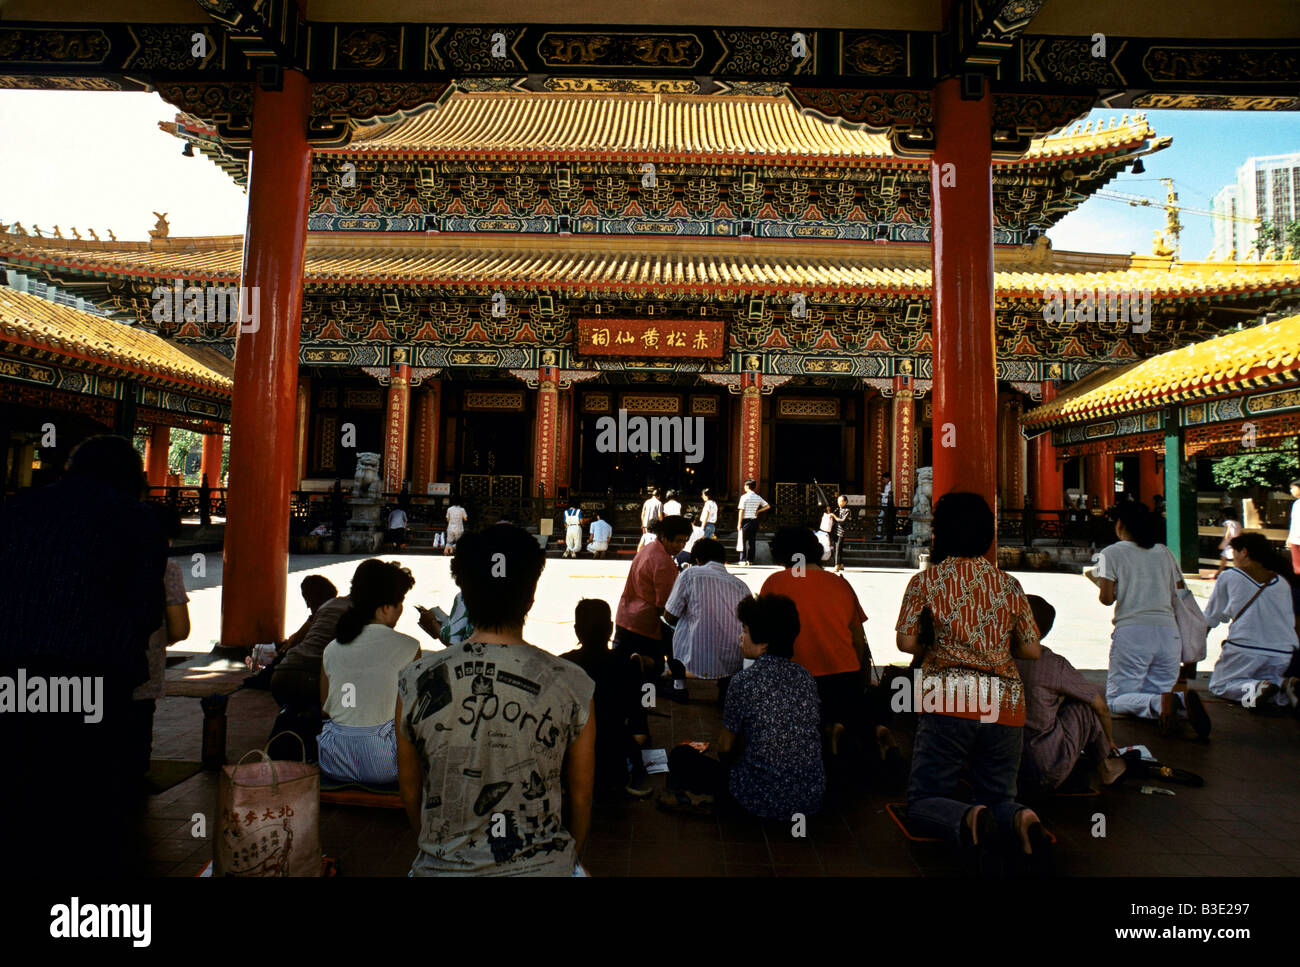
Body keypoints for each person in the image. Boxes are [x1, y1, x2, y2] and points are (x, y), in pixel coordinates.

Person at [0, 435, 167, 877]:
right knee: (87, 790)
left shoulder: (17, 511)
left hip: (15, 673)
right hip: (95, 673)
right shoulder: (136, 519)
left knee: (22, 779)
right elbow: (145, 607)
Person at [396, 524, 596, 876]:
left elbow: (411, 794)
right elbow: (580, 798)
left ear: (464, 594)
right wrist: (566, 859)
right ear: (531, 594)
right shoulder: (573, 683)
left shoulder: (415, 680)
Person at [896, 492, 1047, 859]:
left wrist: (942, 646)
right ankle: (1018, 818)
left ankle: (967, 818)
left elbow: (906, 643)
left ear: (939, 533)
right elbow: (1032, 650)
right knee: (998, 794)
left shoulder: (925, 582)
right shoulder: (1009, 584)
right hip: (1005, 699)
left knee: (925, 798)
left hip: (948, 696)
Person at [658, 593, 824, 819]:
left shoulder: (744, 681)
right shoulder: (805, 677)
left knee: (680, 756)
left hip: (757, 799)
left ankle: (704, 799)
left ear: (764, 643)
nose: (740, 637)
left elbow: (725, 747)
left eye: (745, 631)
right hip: (809, 799)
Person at [1089, 502, 1210, 738]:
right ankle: (1178, 704)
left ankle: (1163, 705)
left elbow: (1106, 599)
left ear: (1121, 525)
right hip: (1169, 633)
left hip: (1133, 631)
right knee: (1160, 690)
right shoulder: (1164, 552)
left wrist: (1102, 583)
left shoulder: (1110, 553)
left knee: (1116, 699)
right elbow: (1177, 590)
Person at [761, 527, 869, 754]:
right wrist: (855, 672)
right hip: (843, 675)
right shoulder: (840, 583)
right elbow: (858, 640)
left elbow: (763, 635)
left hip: (793, 677)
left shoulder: (775, 583)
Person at [318, 560, 422, 784]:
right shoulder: (409, 647)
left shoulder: (331, 649)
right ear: (386, 608)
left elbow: (326, 708)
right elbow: (412, 715)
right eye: (400, 603)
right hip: (385, 765)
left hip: (332, 760)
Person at [1015, 595, 1125, 793]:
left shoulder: (992, 656)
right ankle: (1106, 767)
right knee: (1086, 706)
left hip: (999, 767)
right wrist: (1109, 742)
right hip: (1043, 767)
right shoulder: (1053, 664)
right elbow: (1101, 708)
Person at [560, 599, 651, 798]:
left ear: (576, 630)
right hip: (613, 767)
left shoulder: (563, 665)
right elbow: (640, 729)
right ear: (611, 628)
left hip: (570, 766)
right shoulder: (629, 665)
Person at [1205, 532, 1300, 711]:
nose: (1233, 557)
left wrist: (1194, 652)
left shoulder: (1230, 576)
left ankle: (1257, 688)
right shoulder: (1281, 582)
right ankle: (1284, 686)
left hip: (1246, 647)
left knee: (1220, 685)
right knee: (1268, 690)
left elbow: (1211, 617)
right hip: (1282, 651)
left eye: (1234, 552)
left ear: (1245, 552)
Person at [131, 505, 192, 775]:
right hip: (142, 672)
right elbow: (179, 629)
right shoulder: (166, 568)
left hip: (88, 671)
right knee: (133, 749)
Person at [663, 538, 749, 703]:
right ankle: (726, 687)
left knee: (664, 626)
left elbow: (669, 615)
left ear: (697, 560)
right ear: (723, 560)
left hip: (696, 653)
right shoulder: (741, 585)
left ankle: (679, 686)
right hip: (733, 658)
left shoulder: (690, 574)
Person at [614, 515, 691, 691]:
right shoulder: (663, 562)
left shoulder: (649, 549)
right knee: (651, 669)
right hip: (645, 623)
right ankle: (658, 695)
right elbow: (666, 606)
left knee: (625, 667)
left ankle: (638, 699)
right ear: (664, 536)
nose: (680, 546)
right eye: (677, 541)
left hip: (626, 616)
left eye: (684, 542)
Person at [271, 577, 351, 713]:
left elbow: (293, 644)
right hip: (313, 679)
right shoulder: (364, 615)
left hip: (281, 676)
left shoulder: (330, 606)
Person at [736, 478, 770, 566]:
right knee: (752, 541)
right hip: (754, 521)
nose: (744, 487)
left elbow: (741, 511)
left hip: (745, 521)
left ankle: (742, 560)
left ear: (747, 486)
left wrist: (739, 523)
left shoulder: (744, 497)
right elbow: (767, 506)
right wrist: (758, 511)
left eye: (745, 485)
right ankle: (750, 560)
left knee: (742, 541)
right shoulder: (758, 497)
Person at [1216, 508, 1243, 577]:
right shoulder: (1237, 523)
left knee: (1224, 559)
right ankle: (1219, 573)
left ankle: (1219, 573)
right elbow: (1240, 533)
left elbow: (1227, 534)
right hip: (1236, 542)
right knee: (1233, 558)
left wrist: (1224, 542)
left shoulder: (1228, 522)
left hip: (1229, 543)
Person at [832, 494, 852, 573]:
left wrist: (834, 516)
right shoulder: (837, 509)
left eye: (841, 501)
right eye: (838, 501)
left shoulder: (847, 510)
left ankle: (837, 565)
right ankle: (841, 564)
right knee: (837, 548)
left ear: (845, 502)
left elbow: (843, 521)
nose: (839, 502)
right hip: (835, 531)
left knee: (838, 548)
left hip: (841, 532)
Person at [1287, 479, 1300, 574]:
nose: (1291, 491)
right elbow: (1294, 522)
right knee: (1297, 567)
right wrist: (1289, 537)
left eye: (1293, 488)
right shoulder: (1296, 504)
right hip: (1295, 539)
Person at [876, 472, 893, 537]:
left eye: (884, 479)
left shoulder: (891, 484)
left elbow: (889, 494)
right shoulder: (887, 485)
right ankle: (879, 534)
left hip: (887, 504)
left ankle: (882, 534)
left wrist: (881, 494)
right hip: (884, 504)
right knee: (880, 518)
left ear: (887, 478)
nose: (883, 481)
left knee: (884, 518)